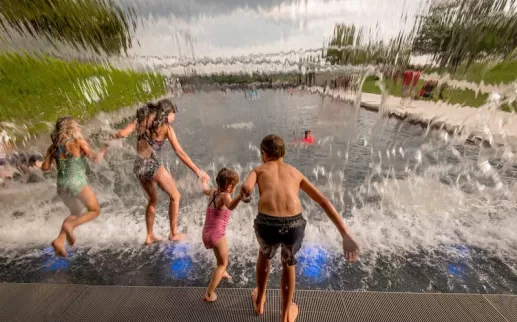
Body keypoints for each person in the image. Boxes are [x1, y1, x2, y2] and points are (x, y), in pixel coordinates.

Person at [240, 134, 359, 322]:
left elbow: (246, 187)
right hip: (293, 224)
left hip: (267, 223)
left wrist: (245, 193)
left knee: (264, 254)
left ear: (263, 154)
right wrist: (345, 233)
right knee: (289, 263)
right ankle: (286, 315)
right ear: (283, 153)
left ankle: (260, 300)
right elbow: (323, 201)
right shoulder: (295, 172)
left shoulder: (259, 170)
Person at [112, 99, 209, 244]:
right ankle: (174, 233)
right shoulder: (166, 128)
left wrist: (109, 137)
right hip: (152, 164)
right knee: (175, 196)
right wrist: (198, 171)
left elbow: (122, 133)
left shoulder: (142, 121)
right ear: (167, 114)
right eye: (173, 114)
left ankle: (149, 235)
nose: (174, 117)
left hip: (139, 165)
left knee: (152, 200)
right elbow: (180, 153)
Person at [41, 116, 108, 257]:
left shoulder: (53, 147)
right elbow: (95, 158)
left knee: (75, 212)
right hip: (76, 182)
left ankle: (59, 240)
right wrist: (106, 148)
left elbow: (45, 167)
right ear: (72, 128)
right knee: (94, 210)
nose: (79, 128)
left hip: (61, 186)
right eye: (77, 126)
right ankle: (70, 226)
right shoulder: (78, 142)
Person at [200, 168, 249, 302]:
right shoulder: (225, 196)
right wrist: (239, 196)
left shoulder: (212, 192)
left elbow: (204, 189)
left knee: (220, 259)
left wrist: (203, 181)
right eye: (235, 187)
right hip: (216, 234)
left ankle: (222, 273)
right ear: (229, 187)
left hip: (206, 232)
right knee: (223, 263)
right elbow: (231, 206)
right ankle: (209, 294)